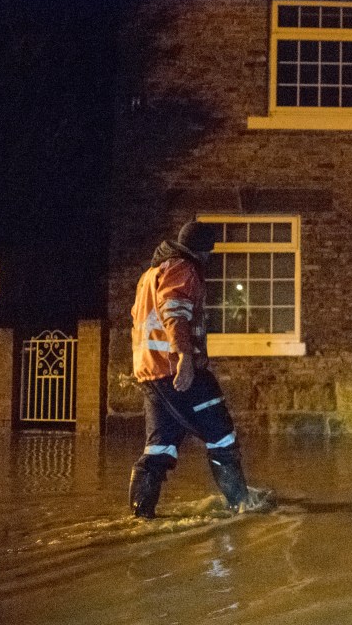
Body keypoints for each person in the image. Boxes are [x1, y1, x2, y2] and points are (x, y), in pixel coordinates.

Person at [128, 220, 251, 519]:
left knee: (160, 447)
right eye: (209, 252)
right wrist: (183, 357)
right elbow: (175, 312)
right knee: (221, 434)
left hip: (150, 373)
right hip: (178, 370)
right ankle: (242, 505)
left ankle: (140, 515)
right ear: (202, 251)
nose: (209, 259)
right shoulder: (184, 269)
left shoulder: (150, 274)